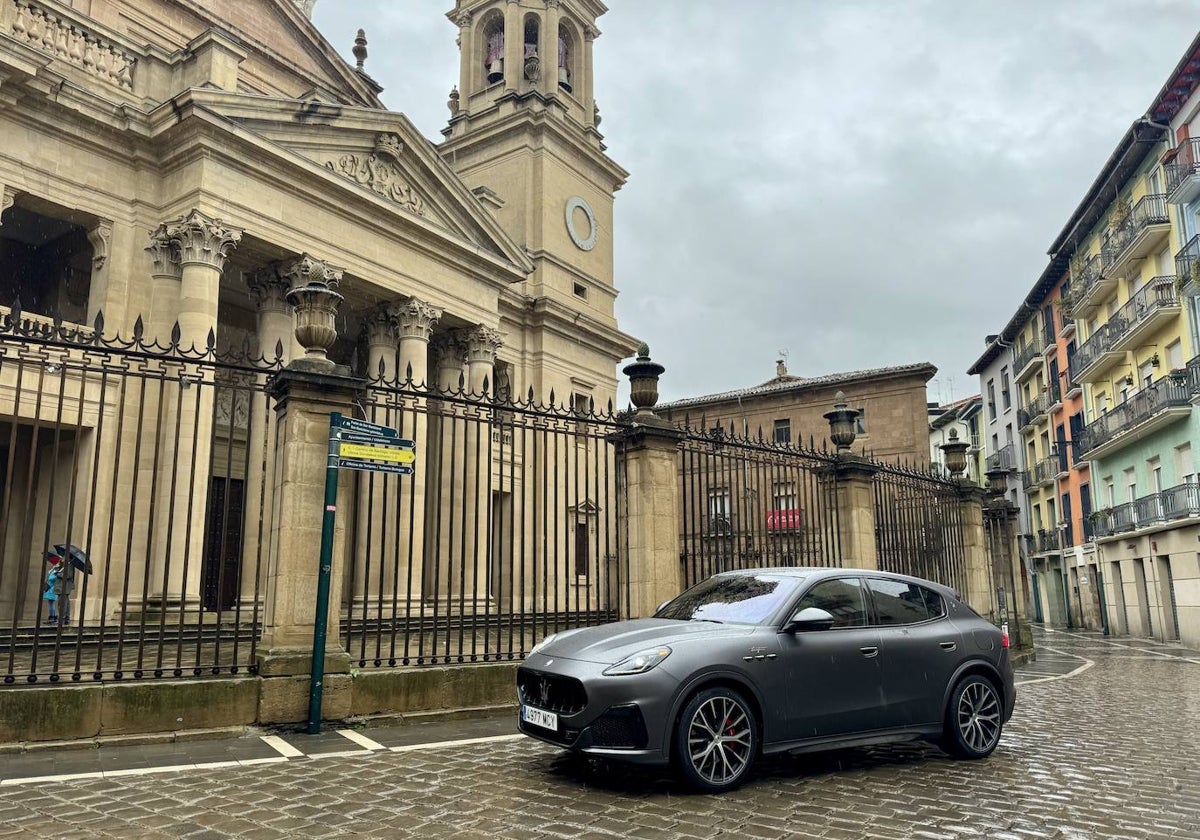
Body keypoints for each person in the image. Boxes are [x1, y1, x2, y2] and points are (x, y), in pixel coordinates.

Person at [51, 553, 75, 627]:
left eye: (63, 557)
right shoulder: (63, 566)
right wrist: (57, 567)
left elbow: (68, 575)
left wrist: (58, 574)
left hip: (64, 587)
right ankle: (65, 618)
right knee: (64, 602)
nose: (61, 558)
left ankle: (63, 618)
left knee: (63, 603)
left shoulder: (70, 566)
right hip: (61, 587)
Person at [42, 557, 60, 624]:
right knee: (50, 603)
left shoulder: (57, 572)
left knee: (51, 603)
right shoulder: (53, 570)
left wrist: (52, 572)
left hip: (52, 588)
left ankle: (52, 617)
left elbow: (52, 579)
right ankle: (52, 616)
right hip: (49, 588)